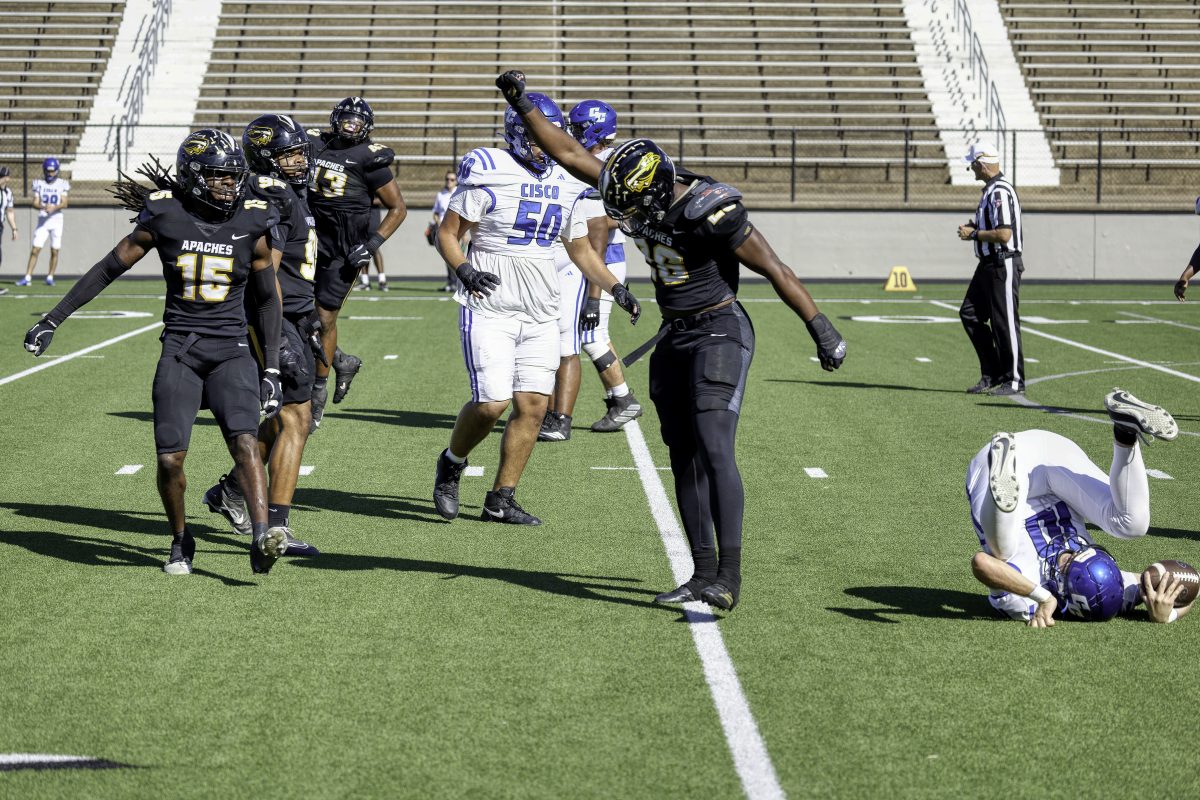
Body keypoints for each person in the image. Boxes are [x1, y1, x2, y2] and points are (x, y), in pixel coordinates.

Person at [496, 71, 847, 610]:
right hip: (675, 336)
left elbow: (775, 268)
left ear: (657, 190)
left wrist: (820, 327)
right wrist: (522, 103)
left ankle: (729, 577)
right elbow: (567, 152)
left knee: (713, 444)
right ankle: (701, 573)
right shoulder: (634, 184)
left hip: (719, 331)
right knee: (682, 454)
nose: (625, 212)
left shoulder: (710, 212)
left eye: (632, 203)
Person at [24, 130, 289, 575]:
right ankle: (181, 538)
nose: (231, 184)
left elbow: (266, 300)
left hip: (231, 350)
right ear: (195, 177)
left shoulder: (254, 220)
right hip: (181, 349)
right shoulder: (166, 215)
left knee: (246, 442)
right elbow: (109, 267)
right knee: (170, 459)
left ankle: (262, 536)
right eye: (220, 176)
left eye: (234, 176)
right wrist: (54, 318)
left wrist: (273, 369)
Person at [431, 92, 640, 526]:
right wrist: (465, 270)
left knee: (532, 407)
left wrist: (615, 287)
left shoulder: (565, 180)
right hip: (491, 303)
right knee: (491, 403)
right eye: (534, 137)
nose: (543, 145)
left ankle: (501, 498)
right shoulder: (490, 168)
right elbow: (447, 234)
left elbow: (579, 248)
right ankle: (452, 461)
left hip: (542, 308)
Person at [202, 114, 323, 558]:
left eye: (300, 153)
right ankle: (277, 527)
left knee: (281, 417)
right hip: (272, 319)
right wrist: (277, 341)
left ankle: (232, 491)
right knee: (296, 419)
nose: (299, 161)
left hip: (294, 317)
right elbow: (264, 276)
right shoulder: (270, 196)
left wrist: (309, 318)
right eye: (288, 155)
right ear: (266, 158)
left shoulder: (291, 192)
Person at [968, 388, 1188, 626]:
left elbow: (981, 563)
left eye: (1068, 566)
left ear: (1065, 591)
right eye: (1079, 552)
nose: (1068, 555)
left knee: (1001, 551)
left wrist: (1042, 597)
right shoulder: (1113, 589)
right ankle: (1126, 433)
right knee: (1133, 525)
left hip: (1006, 462)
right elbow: (1188, 580)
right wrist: (1167, 614)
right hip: (1050, 461)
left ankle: (1003, 481)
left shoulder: (1024, 602)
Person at [306, 97, 408, 430]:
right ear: (334, 119)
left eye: (357, 121)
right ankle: (342, 360)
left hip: (343, 250)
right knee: (290, 312)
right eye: (346, 119)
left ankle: (317, 392)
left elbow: (398, 208)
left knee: (323, 320)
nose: (351, 126)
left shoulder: (370, 158)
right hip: (307, 242)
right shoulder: (314, 143)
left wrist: (372, 244)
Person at [568, 99, 643, 434]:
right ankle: (619, 399)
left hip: (603, 258)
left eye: (579, 127)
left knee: (591, 334)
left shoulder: (613, 163)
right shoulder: (589, 158)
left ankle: (623, 398)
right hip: (585, 256)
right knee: (586, 334)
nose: (572, 132)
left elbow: (624, 217)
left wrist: (594, 295)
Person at [957, 141, 1025, 396]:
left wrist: (974, 234)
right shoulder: (991, 190)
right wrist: (977, 227)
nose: (972, 170)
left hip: (1002, 262)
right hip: (988, 264)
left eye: (973, 165)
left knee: (1003, 322)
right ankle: (993, 372)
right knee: (970, 314)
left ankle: (1014, 380)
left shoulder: (999, 191)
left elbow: (1004, 234)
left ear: (982, 164)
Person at [18, 158, 70, 287]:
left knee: (55, 250)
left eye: (52, 171)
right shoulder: (39, 184)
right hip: (43, 220)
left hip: (57, 220)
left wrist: (54, 207)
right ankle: (27, 277)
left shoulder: (62, 184)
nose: (50, 173)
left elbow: (65, 203)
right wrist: (43, 206)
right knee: (35, 249)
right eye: (48, 171)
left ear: (56, 171)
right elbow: (35, 203)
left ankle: (50, 277)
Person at [429, 170, 458, 291]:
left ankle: (457, 283)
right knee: (447, 257)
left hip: (456, 230)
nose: (449, 181)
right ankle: (451, 283)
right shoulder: (441, 194)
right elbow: (435, 213)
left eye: (452, 179)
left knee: (457, 256)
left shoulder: (459, 193)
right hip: (444, 231)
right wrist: (439, 224)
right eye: (447, 179)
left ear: (456, 181)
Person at [354, 202, 388, 291]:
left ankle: (382, 281)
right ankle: (365, 282)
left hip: (372, 218)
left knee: (374, 247)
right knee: (362, 248)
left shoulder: (375, 192)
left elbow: (381, 200)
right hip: (361, 217)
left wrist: (363, 199)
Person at [0, 167, 16, 277]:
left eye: (3, 177)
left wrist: (14, 228)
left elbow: (9, 212)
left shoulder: (8, 193)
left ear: (8, 178)